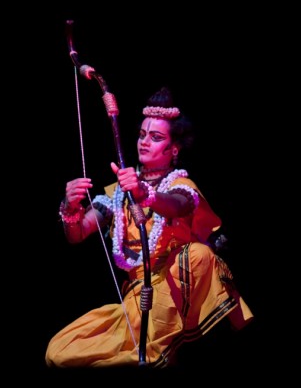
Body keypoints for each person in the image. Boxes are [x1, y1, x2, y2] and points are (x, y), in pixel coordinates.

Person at [46, 87, 254, 368]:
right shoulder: (118, 193)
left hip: (176, 289)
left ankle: (160, 347)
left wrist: (146, 194)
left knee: (198, 255)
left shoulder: (180, 186)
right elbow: (79, 232)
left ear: (174, 149)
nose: (144, 142)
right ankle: (146, 348)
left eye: (156, 137)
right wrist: (69, 207)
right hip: (138, 302)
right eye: (142, 134)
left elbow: (179, 205)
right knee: (58, 351)